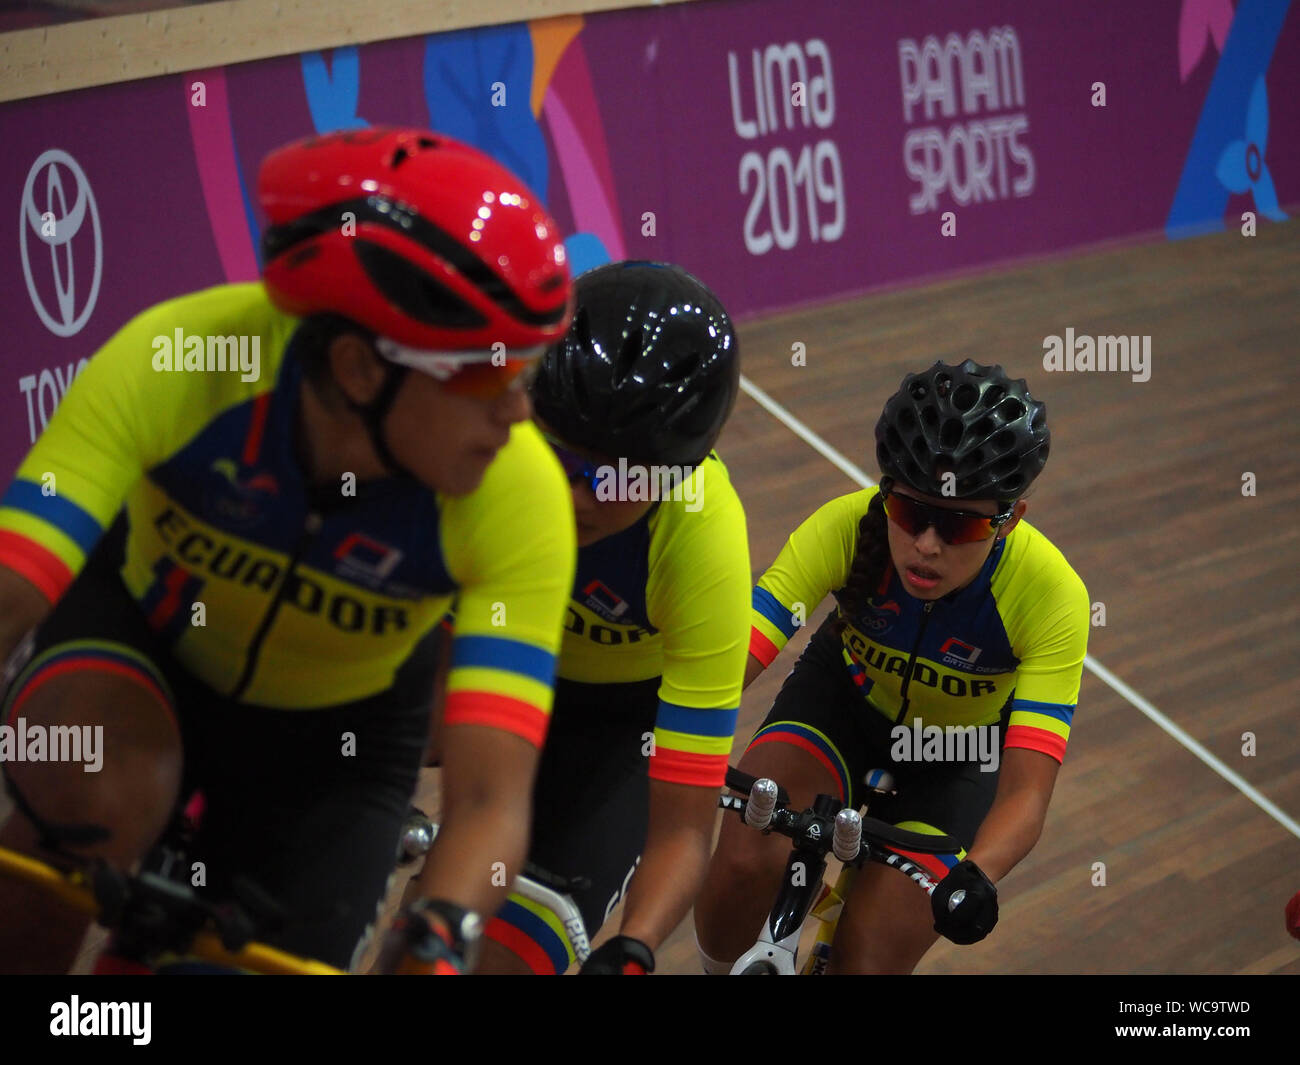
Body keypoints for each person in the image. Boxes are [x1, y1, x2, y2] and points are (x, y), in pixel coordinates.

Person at [0, 127, 576, 974]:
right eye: (487, 378)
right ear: (358, 367)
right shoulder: (183, 360)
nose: (519, 414)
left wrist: (439, 931)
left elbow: (490, 801)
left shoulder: (518, 493)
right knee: (95, 795)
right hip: (140, 648)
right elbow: (12, 587)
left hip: (338, 746)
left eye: (528, 371)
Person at [694, 359, 1090, 974]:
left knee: (872, 955)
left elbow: (1026, 797)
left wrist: (979, 876)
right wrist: (658, 736)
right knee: (743, 860)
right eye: (908, 514)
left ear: (1010, 518)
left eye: (960, 524)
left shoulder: (1051, 596)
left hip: (956, 754)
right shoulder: (845, 528)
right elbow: (727, 662)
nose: (927, 544)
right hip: (842, 703)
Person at [451, 260, 751, 974]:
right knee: (430, 938)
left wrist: (636, 945)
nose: (578, 496)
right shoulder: (491, 441)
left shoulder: (703, 542)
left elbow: (683, 829)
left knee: (507, 959)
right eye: (560, 458)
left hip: (618, 730)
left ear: (677, 474)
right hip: (500, 661)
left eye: (615, 477)